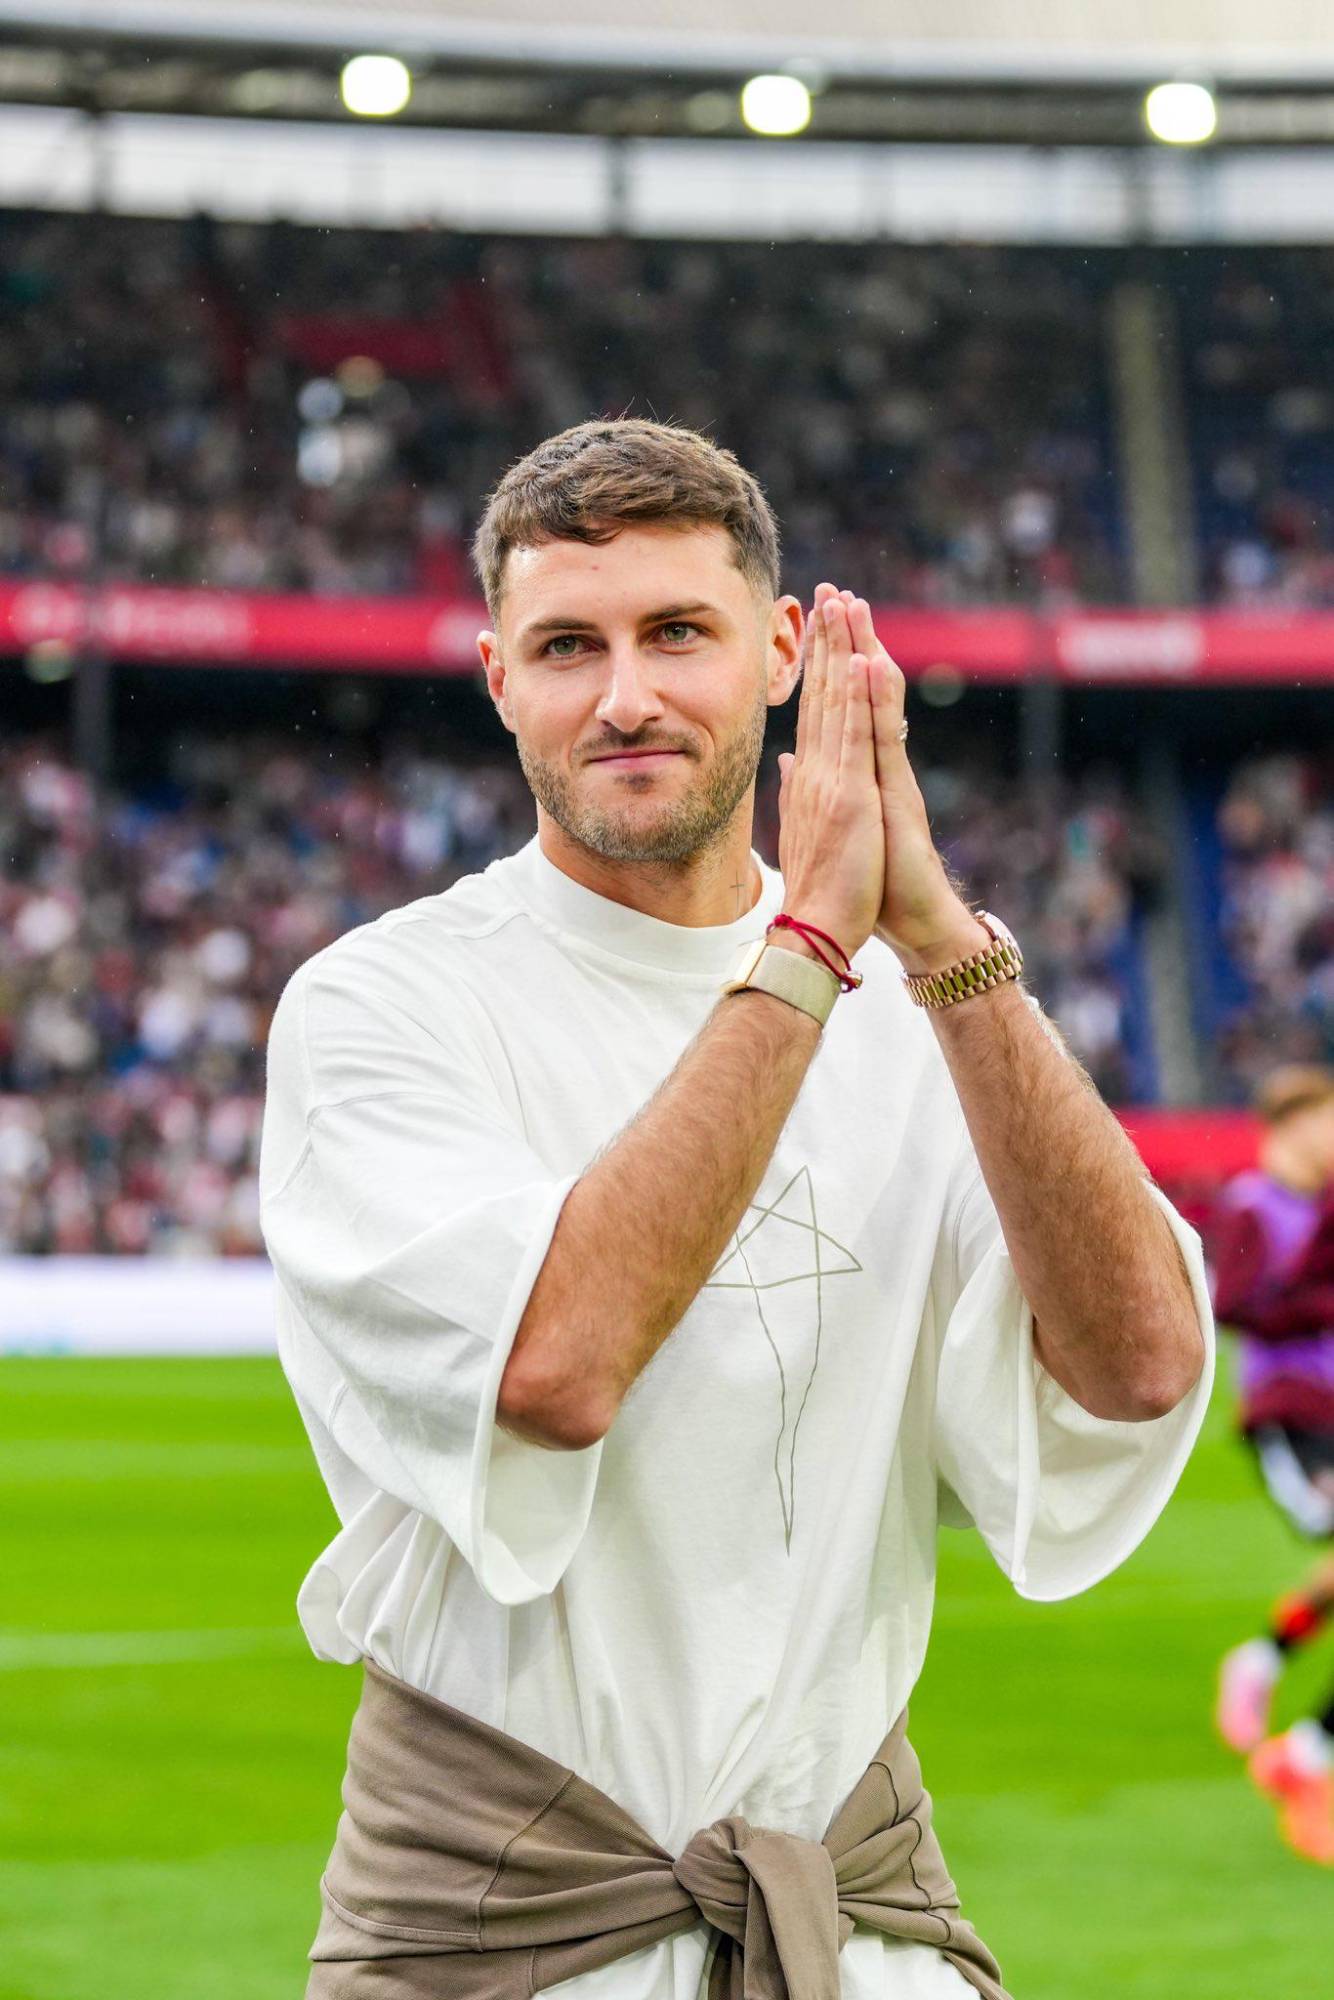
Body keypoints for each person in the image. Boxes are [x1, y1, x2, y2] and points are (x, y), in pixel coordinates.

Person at [258, 418, 1213, 1999]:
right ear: (498, 678)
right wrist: (817, 952)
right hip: (512, 1928)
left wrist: (938, 940)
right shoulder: (382, 1005)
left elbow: (1138, 1368)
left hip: (858, 1920)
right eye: (567, 646)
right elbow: (556, 1366)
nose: (623, 696)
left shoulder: (922, 1007)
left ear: (782, 652)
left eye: (677, 634)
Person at [1212, 1064, 1334, 1866]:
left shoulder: (1320, 1210)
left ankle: (1264, 1663)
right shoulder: (1253, 1203)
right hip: (1289, 1415)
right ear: (1290, 1126)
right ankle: (1308, 1752)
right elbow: (1235, 1305)